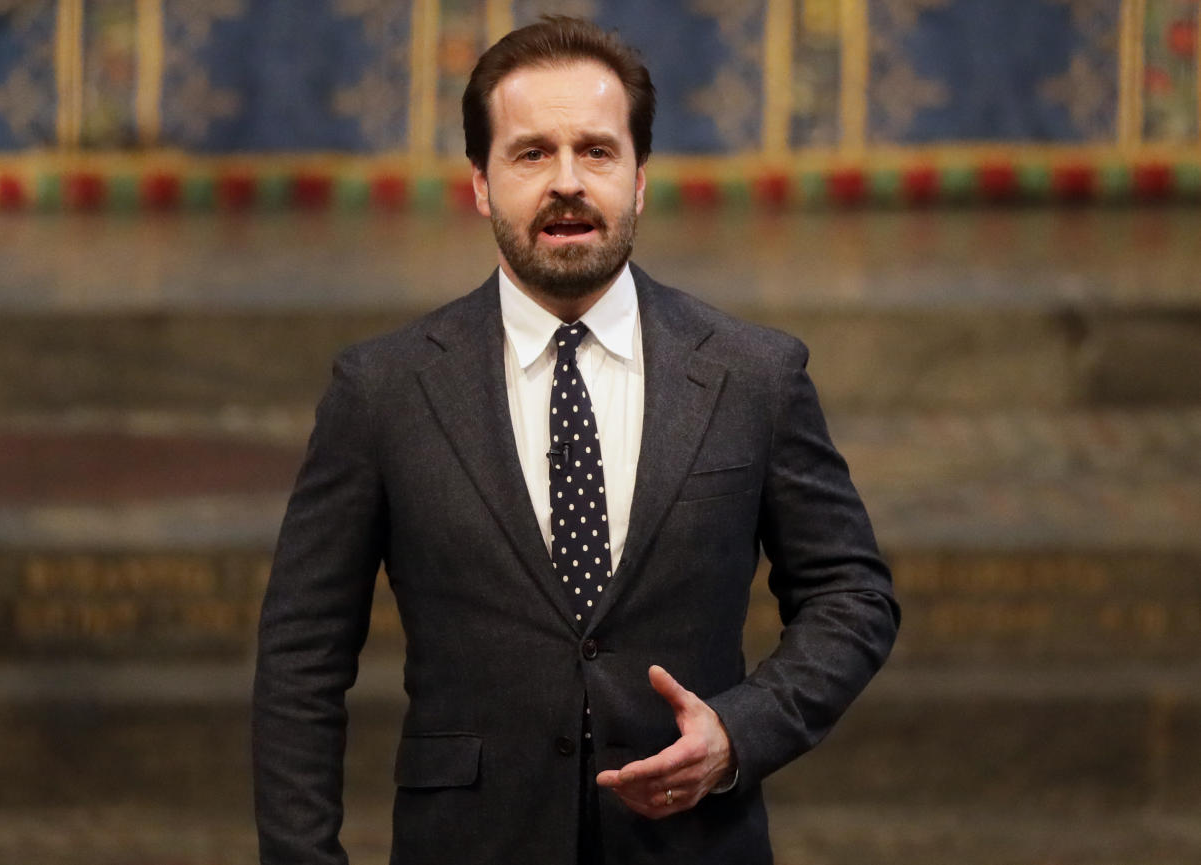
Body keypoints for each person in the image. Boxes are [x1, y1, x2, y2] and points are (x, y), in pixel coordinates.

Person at [253, 16, 898, 865]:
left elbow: (853, 595)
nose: (567, 182)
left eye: (596, 152)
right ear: (480, 183)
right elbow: (301, 656)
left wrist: (738, 733)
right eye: (531, 154)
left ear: (639, 180)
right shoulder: (383, 391)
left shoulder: (754, 376)